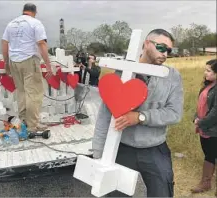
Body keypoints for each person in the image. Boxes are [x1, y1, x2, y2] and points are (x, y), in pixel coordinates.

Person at [92, 29, 184, 197]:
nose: (165, 54)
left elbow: (174, 113)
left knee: (162, 192)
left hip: (155, 147)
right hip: (122, 147)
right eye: (162, 47)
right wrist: (98, 154)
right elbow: (105, 116)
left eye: (169, 50)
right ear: (147, 44)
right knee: (115, 193)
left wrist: (140, 117)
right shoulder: (124, 73)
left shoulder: (172, 77)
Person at [1, 3, 53, 132]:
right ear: (35, 12)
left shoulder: (11, 24)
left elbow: (4, 44)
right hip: (29, 60)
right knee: (34, 93)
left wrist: (6, 63)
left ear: (23, 11)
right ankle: (33, 125)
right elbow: (41, 44)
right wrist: (48, 65)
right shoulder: (35, 23)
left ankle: (23, 122)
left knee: (22, 92)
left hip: (14, 61)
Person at [190, 59, 217, 195]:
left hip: (213, 130)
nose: (205, 72)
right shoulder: (207, 86)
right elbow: (200, 105)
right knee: (209, 155)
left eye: (208, 70)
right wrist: (195, 117)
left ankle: (205, 183)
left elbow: (215, 113)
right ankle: (206, 183)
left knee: (211, 155)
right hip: (204, 128)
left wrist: (200, 122)